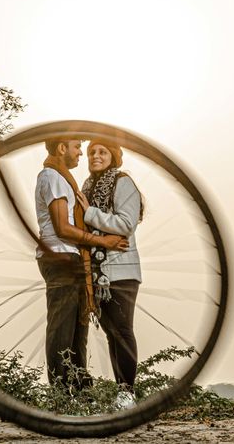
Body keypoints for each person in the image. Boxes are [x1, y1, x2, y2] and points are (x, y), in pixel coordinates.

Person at [35, 137, 128, 390]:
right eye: (77, 147)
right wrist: (103, 241)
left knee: (78, 329)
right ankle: (60, 392)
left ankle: (80, 391)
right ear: (61, 148)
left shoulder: (62, 179)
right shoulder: (53, 177)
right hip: (61, 256)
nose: (80, 153)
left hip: (71, 257)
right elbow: (63, 228)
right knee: (62, 330)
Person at [76, 139, 143, 408]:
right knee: (111, 333)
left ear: (113, 156)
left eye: (102, 152)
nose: (95, 156)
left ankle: (128, 392)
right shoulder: (87, 187)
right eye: (91, 152)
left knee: (123, 331)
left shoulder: (123, 182)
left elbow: (126, 224)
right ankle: (121, 392)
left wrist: (89, 213)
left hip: (122, 269)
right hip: (97, 273)